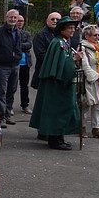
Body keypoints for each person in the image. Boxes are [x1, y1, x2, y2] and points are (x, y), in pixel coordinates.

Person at [28, 17, 82, 150]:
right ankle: (54, 139)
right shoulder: (58, 43)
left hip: (60, 83)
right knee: (56, 111)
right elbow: (62, 65)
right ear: (62, 29)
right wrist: (74, 60)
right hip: (57, 84)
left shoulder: (63, 43)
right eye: (70, 28)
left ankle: (59, 137)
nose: (72, 30)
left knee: (60, 110)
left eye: (73, 28)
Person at [0, 9, 23, 127]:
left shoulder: (18, 32)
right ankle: (1, 117)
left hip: (15, 66)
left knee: (11, 91)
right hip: (2, 66)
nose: (13, 19)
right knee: (1, 92)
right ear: (6, 17)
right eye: (10, 17)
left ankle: (8, 114)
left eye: (15, 18)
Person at [31, 12, 61, 91]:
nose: (55, 21)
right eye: (52, 19)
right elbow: (40, 55)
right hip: (45, 72)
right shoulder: (40, 35)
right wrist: (58, 61)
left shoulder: (62, 35)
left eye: (57, 19)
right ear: (47, 21)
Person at [16, 14, 33, 114]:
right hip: (14, 63)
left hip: (25, 63)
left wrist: (17, 45)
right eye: (18, 20)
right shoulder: (11, 33)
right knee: (12, 86)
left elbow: (29, 45)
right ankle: (9, 106)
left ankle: (25, 105)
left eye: (22, 21)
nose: (20, 22)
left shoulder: (27, 33)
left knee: (24, 85)